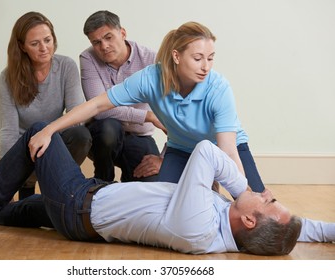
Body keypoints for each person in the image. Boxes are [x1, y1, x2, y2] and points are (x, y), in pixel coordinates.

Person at [0, 122, 305, 255]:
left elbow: (207, 151)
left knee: (40, 133)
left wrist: (241, 189)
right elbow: (295, 228)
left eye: (268, 201)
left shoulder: (199, 227)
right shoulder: (230, 228)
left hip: (79, 204)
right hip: (93, 209)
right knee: (22, 211)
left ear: (252, 222)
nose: (264, 192)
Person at [27, 21, 265, 192]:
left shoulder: (218, 87)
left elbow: (228, 150)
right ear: (176, 56)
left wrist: (245, 197)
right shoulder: (150, 78)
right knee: (165, 206)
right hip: (181, 149)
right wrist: (48, 130)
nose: (206, 66)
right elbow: (97, 105)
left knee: (255, 202)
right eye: (198, 58)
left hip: (223, 147)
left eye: (210, 58)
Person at [0, 11, 92, 199]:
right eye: (34, 44)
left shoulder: (66, 66)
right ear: (22, 47)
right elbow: (8, 130)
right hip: (24, 147)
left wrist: (48, 135)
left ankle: (57, 187)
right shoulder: (8, 77)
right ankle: (27, 185)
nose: (44, 48)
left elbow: (76, 115)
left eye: (48, 40)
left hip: (55, 140)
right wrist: (5, 172)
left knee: (81, 135)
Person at [80, 10, 161, 182]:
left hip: (138, 135)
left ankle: (126, 189)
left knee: (153, 180)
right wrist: (148, 116)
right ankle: (103, 182)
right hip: (102, 134)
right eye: (96, 42)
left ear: (122, 33)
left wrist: (164, 157)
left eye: (108, 37)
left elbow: (177, 114)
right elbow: (100, 111)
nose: (104, 46)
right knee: (109, 128)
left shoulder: (152, 60)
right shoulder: (88, 58)